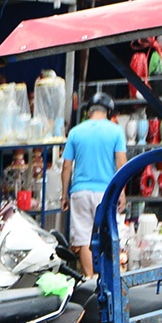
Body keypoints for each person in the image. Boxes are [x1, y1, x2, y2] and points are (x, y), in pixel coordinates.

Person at [62, 93, 126, 278]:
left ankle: (90, 280)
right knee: (107, 236)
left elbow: (67, 166)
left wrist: (65, 195)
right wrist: (121, 192)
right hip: (106, 193)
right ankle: (106, 279)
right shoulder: (116, 131)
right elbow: (121, 164)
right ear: (108, 111)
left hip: (80, 192)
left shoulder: (75, 132)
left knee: (83, 239)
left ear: (88, 112)